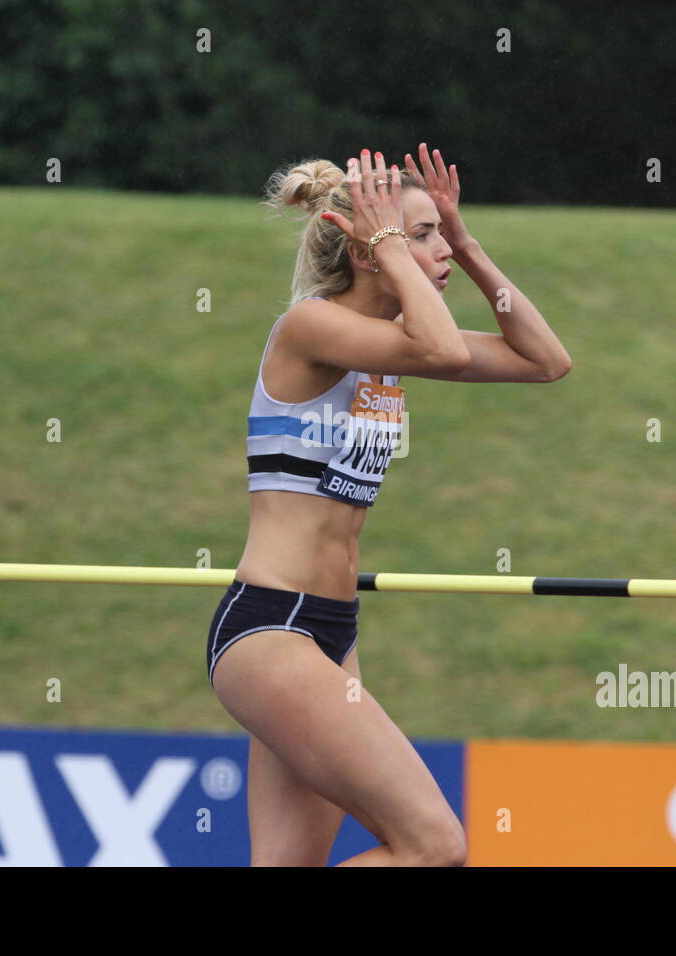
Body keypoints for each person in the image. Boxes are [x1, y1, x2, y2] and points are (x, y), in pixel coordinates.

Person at [206, 145, 571, 866]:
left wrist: (465, 243)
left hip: (333, 636)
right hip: (271, 628)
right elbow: (443, 351)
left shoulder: (391, 346)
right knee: (433, 847)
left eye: (441, 234)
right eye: (424, 234)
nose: (438, 250)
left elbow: (545, 361)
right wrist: (389, 244)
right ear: (370, 248)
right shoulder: (309, 328)